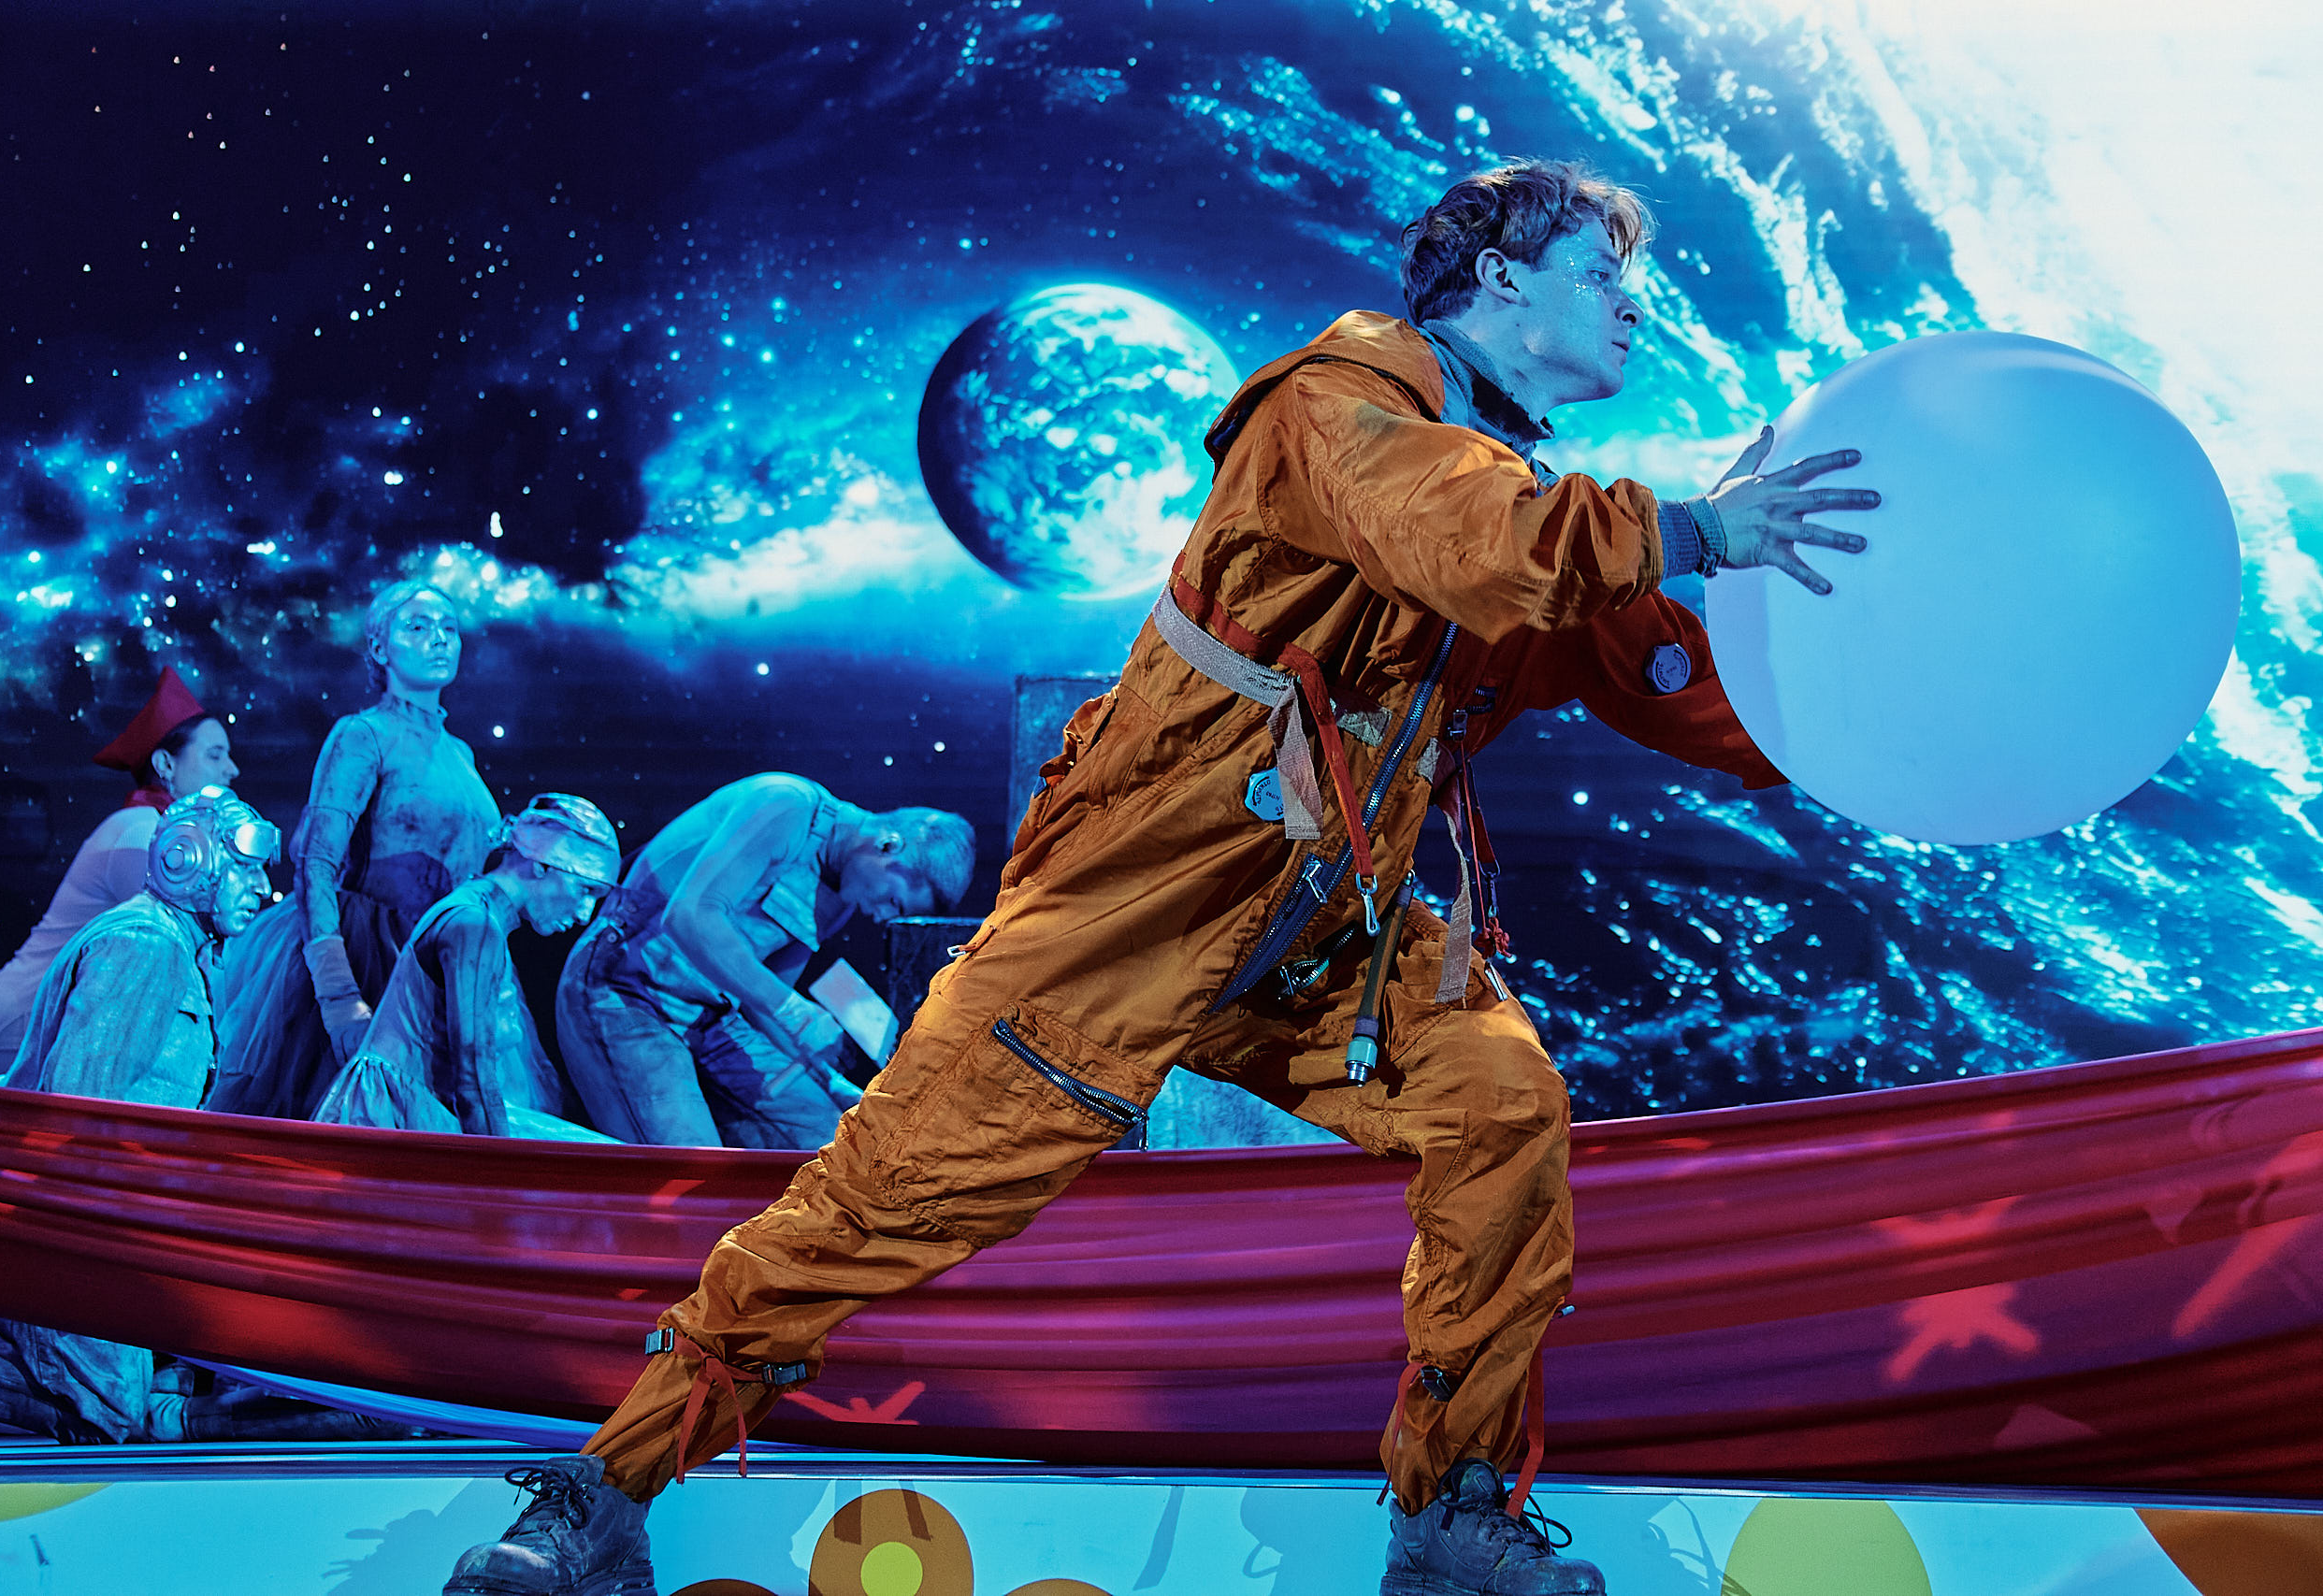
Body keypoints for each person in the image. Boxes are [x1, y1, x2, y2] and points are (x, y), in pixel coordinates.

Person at [446, 159, 1876, 1596]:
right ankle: (602, 1489)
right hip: (1125, 918)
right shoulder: (1337, 407)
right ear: (1501, 280)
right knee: (875, 1204)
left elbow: (1654, 664)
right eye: (1601, 273)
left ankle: (1450, 1511)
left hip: (1326, 938)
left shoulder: (1516, 495)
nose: (1631, 304)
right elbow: (1472, 540)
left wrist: (1864, 736)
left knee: (1501, 1107)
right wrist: (1693, 527)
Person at [0, 786, 276, 1441]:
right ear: (189, 859)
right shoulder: (143, 946)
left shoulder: (182, 949)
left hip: (120, 1224)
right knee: (104, 1411)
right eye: (246, 868)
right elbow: (75, 1115)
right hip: (70, 1225)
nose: (262, 887)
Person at [210, 579, 527, 1123]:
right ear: (381, 648)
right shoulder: (363, 734)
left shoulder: (460, 752)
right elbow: (316, 862)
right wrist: (338, 994)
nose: (439, 639)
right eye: (418, 627)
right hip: (374, 958)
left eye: (449, 628)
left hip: (445, 958)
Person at [555, 773, 974, 1148]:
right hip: (625, 990)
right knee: (687, 1164)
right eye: (893, 901)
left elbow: (764, 1003)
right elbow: (690, 915)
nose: (882, 916)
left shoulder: (840, 899)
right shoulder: (787, 804)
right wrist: (798, 1013)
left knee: (838, 1142)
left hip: (712, 1018)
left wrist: (826, 1078)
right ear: (888, 845)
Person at [0, 667, 240, 1084]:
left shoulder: (153, 832)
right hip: (25, 1021)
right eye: (215, 754)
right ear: (165, 763)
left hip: (55, 1020)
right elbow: (179, 949)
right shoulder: (141, 834)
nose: (231, 769)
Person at [315, 793, 624, 1142]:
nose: (585, 914)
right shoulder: (474, 924)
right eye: (585, 889)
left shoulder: (481, 916)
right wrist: (498, 1168)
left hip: (423, 1108)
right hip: (403, 1119)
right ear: (542, 865)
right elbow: (472, 1077)